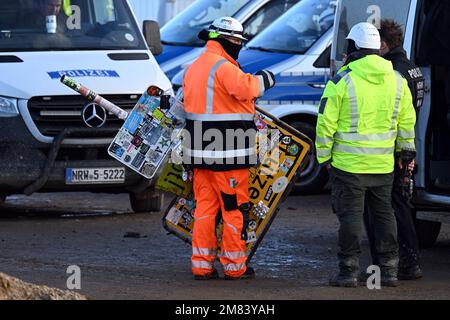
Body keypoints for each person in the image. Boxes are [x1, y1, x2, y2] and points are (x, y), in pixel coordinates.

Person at [316, 22, 416, 287]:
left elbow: (325, 123)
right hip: (383, 165)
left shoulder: (342, 80)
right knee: (384, 215)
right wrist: (405, 155)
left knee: (350, 217)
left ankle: (348, 272)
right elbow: (407, 122)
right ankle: (389, 271)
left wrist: (324, 158)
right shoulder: (396, 80)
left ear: (353, 48)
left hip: (349, 166)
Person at [182, 17, 276, 280]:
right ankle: (235, 268)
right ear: (223, 39)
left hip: (200, 155)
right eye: (236, 41)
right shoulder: (222, 67)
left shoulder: (193, 68)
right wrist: (267, 78)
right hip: (228, 155)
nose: (238, 45)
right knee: (234, 211)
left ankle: (201, 265)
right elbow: (248, 88)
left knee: (205, 211)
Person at [363, 19, 424, 281]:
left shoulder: (394, 73)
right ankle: (409, 262)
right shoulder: (411, 68)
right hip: (405, 147)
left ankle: (404, 263)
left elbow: (398, 116)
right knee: (401, 207)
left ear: (384, 45)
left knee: (391, 210)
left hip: (394, 151)